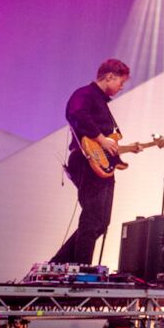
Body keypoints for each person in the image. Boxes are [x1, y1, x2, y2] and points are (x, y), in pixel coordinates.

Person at [50, 58, 133, 265]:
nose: (121, 87)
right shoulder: (84, 94)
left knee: (101, 222)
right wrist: (101, 139)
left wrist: (119, 149)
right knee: (92, 217)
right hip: (86, 162)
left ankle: (58, 264)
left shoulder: (102, 103)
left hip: (101, 165)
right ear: (109, 76)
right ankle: (81, 270)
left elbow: (107, 143)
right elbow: (76, 113)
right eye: (120, 82)